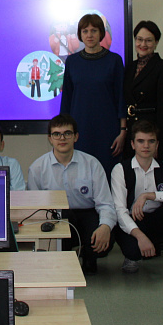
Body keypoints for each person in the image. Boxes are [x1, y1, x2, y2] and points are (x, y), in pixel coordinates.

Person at [27, 115, 118, 275]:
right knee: (59, 235)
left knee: (105, 239)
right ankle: (66, 255)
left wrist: (105, 227)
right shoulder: (37, 168)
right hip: (57, 216)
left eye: (67, 133)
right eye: (57, 134)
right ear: (50, 138)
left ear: (76, 137)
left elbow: (105, 204)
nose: (62, 138)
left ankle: (87, 256)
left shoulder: (92, 164)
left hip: (87, 214)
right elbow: (34, 209)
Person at [109, 120, 163, 284]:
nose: (146, 146)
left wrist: (149, 195)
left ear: (157, 144)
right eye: (141, 141)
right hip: (131, 223)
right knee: (133, 251)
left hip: (155, 220)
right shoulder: (120, 170)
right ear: (133, 144)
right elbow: (119, 211)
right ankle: (132, 256)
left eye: (151, 141)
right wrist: (140, 237)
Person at [60, 13, 126, 175]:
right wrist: (64, 132)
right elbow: (67, 99)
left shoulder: (114, 60)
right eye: (85, 31)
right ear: (80, 35)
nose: (89, 35)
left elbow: (121, 98)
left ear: (101, 33)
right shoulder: (72, 62)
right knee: (80, 175)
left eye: (94, 30)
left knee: (107, 174)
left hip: (108, 129)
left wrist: (123, 131)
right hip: (80, 129)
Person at [123, 20, 163, 162]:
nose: (143, 44)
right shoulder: (129, 68)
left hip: (151, 136)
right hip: (132, 133)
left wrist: (159, 144)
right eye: (139, 39)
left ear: (156, 42)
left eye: (148, 40)